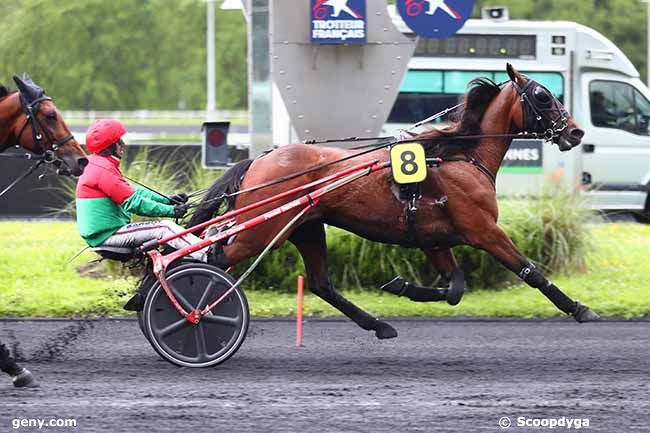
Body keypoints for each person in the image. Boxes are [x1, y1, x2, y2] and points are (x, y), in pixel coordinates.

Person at [75, 119, 207, 261]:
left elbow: (135, 191)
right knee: (165, 228)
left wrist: (167, 199)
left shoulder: (98, 164)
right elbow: (134, 203)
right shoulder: (103, 169)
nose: (123, 144)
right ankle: (208, 254)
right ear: (108, 146)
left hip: (106, 234)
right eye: (119, 141)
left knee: (165, 229)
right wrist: (171, 211)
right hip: (108, 235)